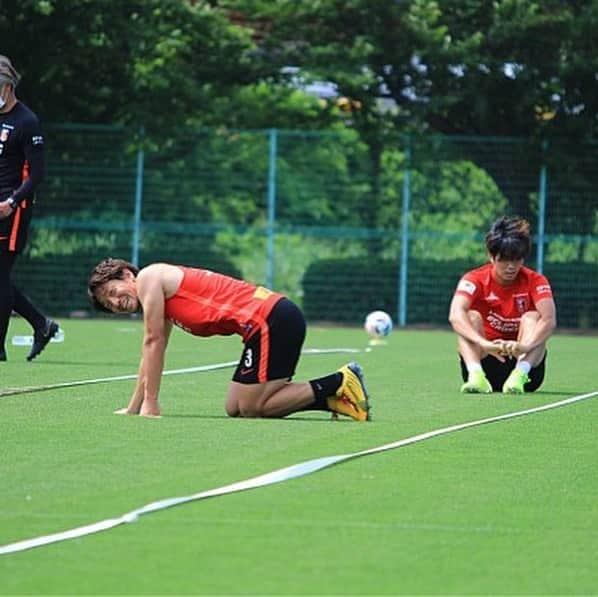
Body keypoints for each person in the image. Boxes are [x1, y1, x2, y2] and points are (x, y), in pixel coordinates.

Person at [87, 258, 371, 420]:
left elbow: (153, 343)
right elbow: (151, 351)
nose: (115, 302)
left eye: (113, 291)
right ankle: (333, 399)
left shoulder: (149, 277)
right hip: (263, 326)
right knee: (235, 407)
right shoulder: (157, 302)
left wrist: (151, 402)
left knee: (251, 408)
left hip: (270, 318)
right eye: (109, 305)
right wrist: (135, 406)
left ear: (127, 274)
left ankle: (339, 381)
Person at [448, 215, 557, 394]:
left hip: (525, 365)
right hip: (486, 360)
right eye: (504, 259)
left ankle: (518, 376)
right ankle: (476, 377)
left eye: (517, 259)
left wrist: (526, 346)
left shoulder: (536, 280)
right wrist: (484, 344)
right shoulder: (474, 279)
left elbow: (549, 319)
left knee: (534, 317)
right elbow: (455, 315)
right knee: (469, 316)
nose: (511, 266)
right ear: (491, 257)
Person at [0, 55, 59, 362]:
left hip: (13, 209)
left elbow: (37, 175)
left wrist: (10, 202)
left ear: (8, 86)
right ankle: (41, 324)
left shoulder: (27, 121)